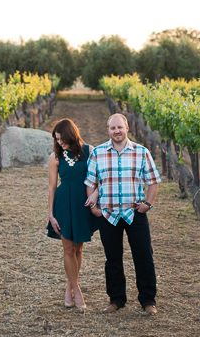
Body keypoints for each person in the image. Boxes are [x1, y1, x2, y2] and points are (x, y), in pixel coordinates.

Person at [84, 113, 161, 316]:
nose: (116, 131)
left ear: (127, 128)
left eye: (120, 127)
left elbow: (153, 180)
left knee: (144, 257)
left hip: (135, 213)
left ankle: (148, 300)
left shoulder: (141, 152)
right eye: (113, 128)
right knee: (113, 259)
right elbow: (91, 183)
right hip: (108, 215)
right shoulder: (98, 153)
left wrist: (148, 204)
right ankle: (116, 299)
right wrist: (93, 208)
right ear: (108, 130)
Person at [47, 118, 98, 311]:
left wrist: (96, 193)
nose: (59, 142)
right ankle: (76, 290)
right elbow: (52, 188)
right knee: (68, 249)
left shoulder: (90, 151)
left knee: (78, 249)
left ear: (71, 134)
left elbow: (100, 178)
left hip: (82, 203)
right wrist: (51, 215)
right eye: (57, 139)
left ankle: (69, 285)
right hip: (64, 203)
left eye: (61, 138)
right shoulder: (55, 157)